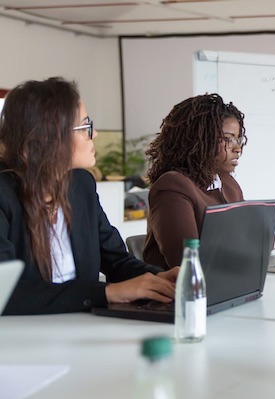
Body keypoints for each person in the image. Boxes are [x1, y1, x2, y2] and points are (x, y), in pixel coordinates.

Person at [0, 77, 178, 315]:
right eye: (85, 127)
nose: (93, 136)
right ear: (47, 138)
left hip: (82, 329)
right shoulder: (4, 194)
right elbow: (7, 292)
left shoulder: (81, 185)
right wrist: (106, 293)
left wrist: (160, 278)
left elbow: (116, 261)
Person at [143, 94, 246, 269]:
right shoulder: (173, 187)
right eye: (228, 139)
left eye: (238, 139)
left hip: (225, 282)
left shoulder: (228, 183)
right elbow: (187, 261)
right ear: (198, 140)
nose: (237, 148)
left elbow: (259, 238)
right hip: (181, 292)